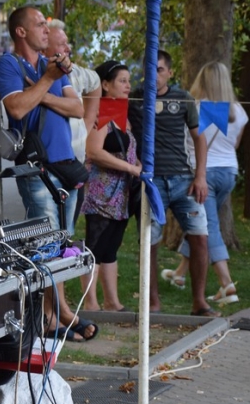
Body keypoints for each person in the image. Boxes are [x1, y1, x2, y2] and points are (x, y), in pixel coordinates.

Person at [0, 6, 96, 341]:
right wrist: (48, 83)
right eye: (39, 24)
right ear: (20, 32)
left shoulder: (51, 67)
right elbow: (18, 107)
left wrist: (41, 89)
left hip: (65, 165)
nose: (46, 30)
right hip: (36, 167)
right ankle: (54, 314)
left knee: (62, 243)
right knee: (48, 243)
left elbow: (77, 108)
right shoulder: (9, 64)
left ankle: (56, 313)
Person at [128, 50, 215, 316]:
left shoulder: (183, 98)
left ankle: (199, 302)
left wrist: (200, 176)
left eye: (160, 70)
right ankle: (152, 302)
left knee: (200, 237)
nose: (154, 75)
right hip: (151, 182)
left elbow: (199, 138)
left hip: (183, 180)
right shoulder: (135, 98)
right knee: (149, 241)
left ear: (170, 73)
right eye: (149, 69)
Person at [162, 61, 248, 306]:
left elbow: (184, 141)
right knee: (201, 223)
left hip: (203, 174)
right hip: (229, 173)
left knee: (207, 226)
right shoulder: (239, 112)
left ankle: (226, 284)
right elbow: (236, 145)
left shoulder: (194, 107)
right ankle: (179, 274)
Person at [79, 61, 139, 313]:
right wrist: (130, 168)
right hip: (101, 193)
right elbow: (93, 150)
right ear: (105, 84)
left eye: (129, 80)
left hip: (121, 195)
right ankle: (90, 303)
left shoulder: (120, 113)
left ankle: (112, 302)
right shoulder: (101, 113)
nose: (128, 86)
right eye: (122, 81)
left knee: (111, 247)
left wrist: (138, 166)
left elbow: (128, 151)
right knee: (95, 246)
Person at [45, 19, 101, 225]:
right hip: (46, 167)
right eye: (61, 44)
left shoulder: (74, 71)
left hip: (75, 163)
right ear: (44, 43)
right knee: (48, 231)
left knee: (68, 231)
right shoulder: (32, 70)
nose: (68, 49)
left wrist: (88, 122)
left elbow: (95, 82)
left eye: (67, 43)